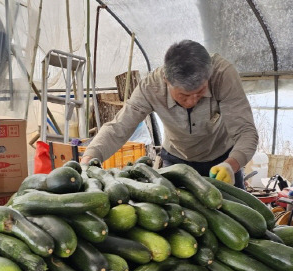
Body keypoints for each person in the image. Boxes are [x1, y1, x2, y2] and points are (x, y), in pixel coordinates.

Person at [80, 40, 258, 189]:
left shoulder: (223, 75)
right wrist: (89, 159)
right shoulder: (151, 87)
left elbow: (246, 131)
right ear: (166, 81)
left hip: (222, 161)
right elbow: (119, 127)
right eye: (184, 95)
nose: (192, 101)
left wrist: (232, 164)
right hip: (176, 162)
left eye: (200, 91)